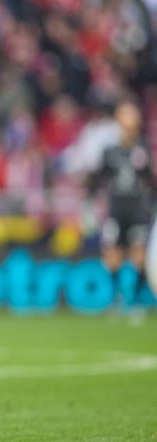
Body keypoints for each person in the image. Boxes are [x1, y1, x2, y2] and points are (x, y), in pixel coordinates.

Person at [89, 99, 155, 311]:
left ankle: (134, 299)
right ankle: (116, 297)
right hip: (116, 207)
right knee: (112, 254)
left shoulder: (143, 148)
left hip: (138, 208)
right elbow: (97, 180)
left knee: (139, 254)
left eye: (131, 114)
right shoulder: (110, 151)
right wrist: (90, 205)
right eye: (125, 114)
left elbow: (150, 181)